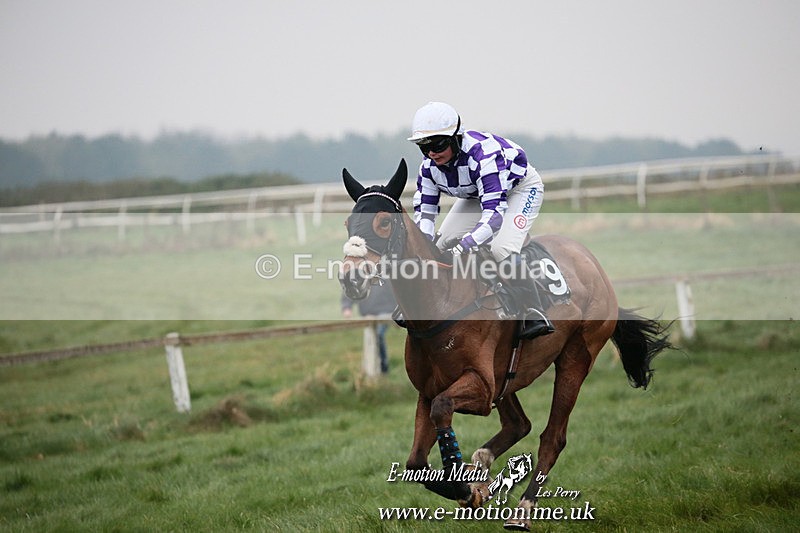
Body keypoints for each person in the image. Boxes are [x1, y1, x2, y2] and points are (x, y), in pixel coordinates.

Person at [408, 101, 554, 339]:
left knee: (501, 249)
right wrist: (423, 246)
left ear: (456, 138)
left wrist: (465, 245)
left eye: (438, 144)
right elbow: (425, 213)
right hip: (479, 193)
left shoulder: (483, 157)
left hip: (520, 189)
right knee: (439, 245)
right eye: (424, 147)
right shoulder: (428, 168)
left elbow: (494, 216)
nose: (432, 153)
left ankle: (534, 309)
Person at [341, 281, 396, 374]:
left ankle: (383, 367)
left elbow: (395, 291)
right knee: (371, 337)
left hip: (386, 312)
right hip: (368, 314)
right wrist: (347, 308)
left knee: (378, 334)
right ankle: (371, 369)